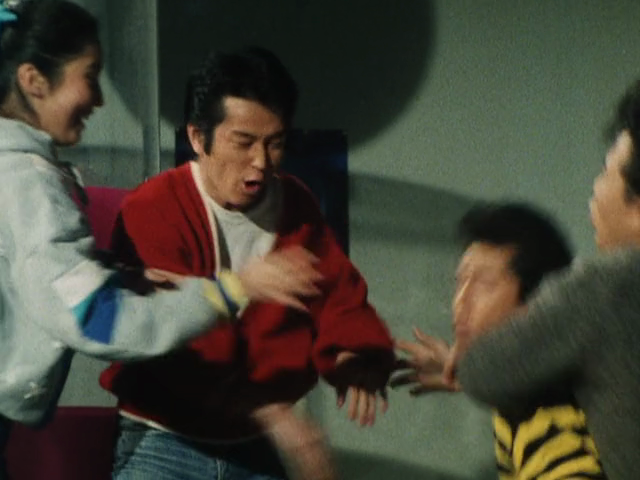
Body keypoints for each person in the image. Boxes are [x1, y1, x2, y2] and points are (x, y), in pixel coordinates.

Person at [0, 1, 319, 477]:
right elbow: (96, 318)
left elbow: (30, 273)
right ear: (34, 80)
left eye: (274, 143)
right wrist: (234, 289)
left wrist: (115, 275)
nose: (99, 99)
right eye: (90, 76)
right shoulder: (25, 181)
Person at [99, 46, 395, 480]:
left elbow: (337, 294)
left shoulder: (296, 204)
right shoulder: (153, 207)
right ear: (198, 138)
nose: (261, 162)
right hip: (163, 438)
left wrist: (354, 355)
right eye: (244, 142)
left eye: (276, 143)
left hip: (256, 445)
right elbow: (171, 339)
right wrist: (273, 413)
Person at [445, 79, 640, 480]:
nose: (596, 190)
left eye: (607, 172)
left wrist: (476, 362)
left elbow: (485, 370)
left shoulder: (609, 287)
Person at [393, 203, 607, 479]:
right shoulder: (528, 387)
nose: (461, 302)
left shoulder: (551, 416)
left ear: (538, 305)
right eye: (460, 281)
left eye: (485, 284)